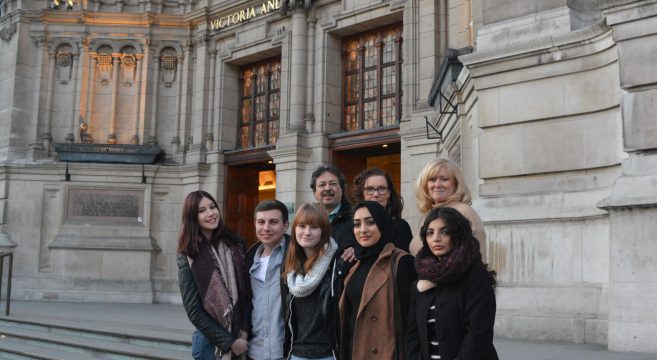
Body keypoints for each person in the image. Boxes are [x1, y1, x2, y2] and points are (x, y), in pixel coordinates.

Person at [406, 207, 498, 360]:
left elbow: (478, 333)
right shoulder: (422, 280)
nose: (436, 238)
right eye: (430, 233)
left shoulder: (476, 276)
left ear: (458, 234)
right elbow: (412, 335)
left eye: (445, 232)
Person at [177, 190, 249, 360]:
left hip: (242, 338)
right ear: (192, 217)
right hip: (209, 345)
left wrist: (244, 332)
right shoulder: (188, 255)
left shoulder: (236, 245)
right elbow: (194, 311)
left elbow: (248, 294)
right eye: (201, 211)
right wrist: (229, 342)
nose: (210, 213)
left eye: (212, 207)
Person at [340, 201, 416, 360]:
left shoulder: (402, 262)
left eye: (370, 222)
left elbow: (410, 323)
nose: (363, 230)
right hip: (353, 352)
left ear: (382, 223)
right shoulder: (355, 264)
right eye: (357, 224)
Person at [282, 203, 340, 360]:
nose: (306, 232)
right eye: (302, 226)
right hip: (295, 354)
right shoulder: (290, 268)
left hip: (329, 355)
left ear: (324, 231)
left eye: (314, 227)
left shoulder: (337, 264)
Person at [410, 158, 487, 259]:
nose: (437, 185)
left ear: (456, 184)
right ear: (425, 185)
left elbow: (476, 255)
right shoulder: (426, 215)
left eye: (444, 179)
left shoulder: (464, 211)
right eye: (432, 180)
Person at [244, 200, 290, 360]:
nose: (266, 228)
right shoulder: (248, 260)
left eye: (273, 222)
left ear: (285, 225)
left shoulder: (298, 256)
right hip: (254, 352)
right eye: (261, 222)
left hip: (286, 353)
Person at [351, 167, 413, 252]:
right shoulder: (352, 227)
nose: (376, 194)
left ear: (388, 193)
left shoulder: (400, 227)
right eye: (370, 189)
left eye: (381, 188)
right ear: (362, 194)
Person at [310, 164, 356, 263]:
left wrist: (359, 250)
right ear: (315, 193)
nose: (327, 188)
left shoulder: (355, 216)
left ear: (342, 189)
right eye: (322, 185)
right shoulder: (307, 219)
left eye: (333, 184)